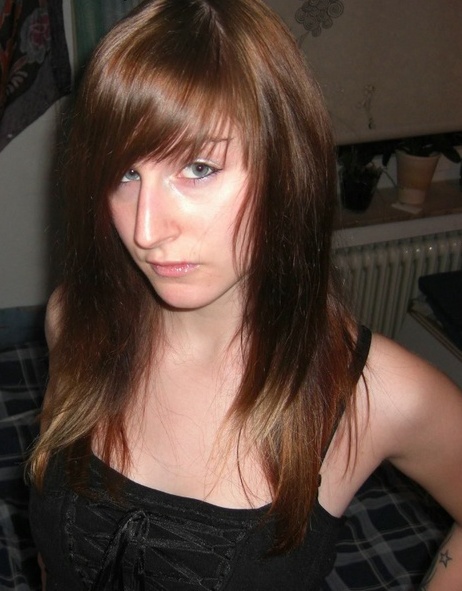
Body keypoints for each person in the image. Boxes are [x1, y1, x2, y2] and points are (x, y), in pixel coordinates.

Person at [29, 0, 462, 589]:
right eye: (125, 174)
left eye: (198, 168)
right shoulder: (75, 321)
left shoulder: (379, 394)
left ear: (287, 165)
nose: (145, 229)